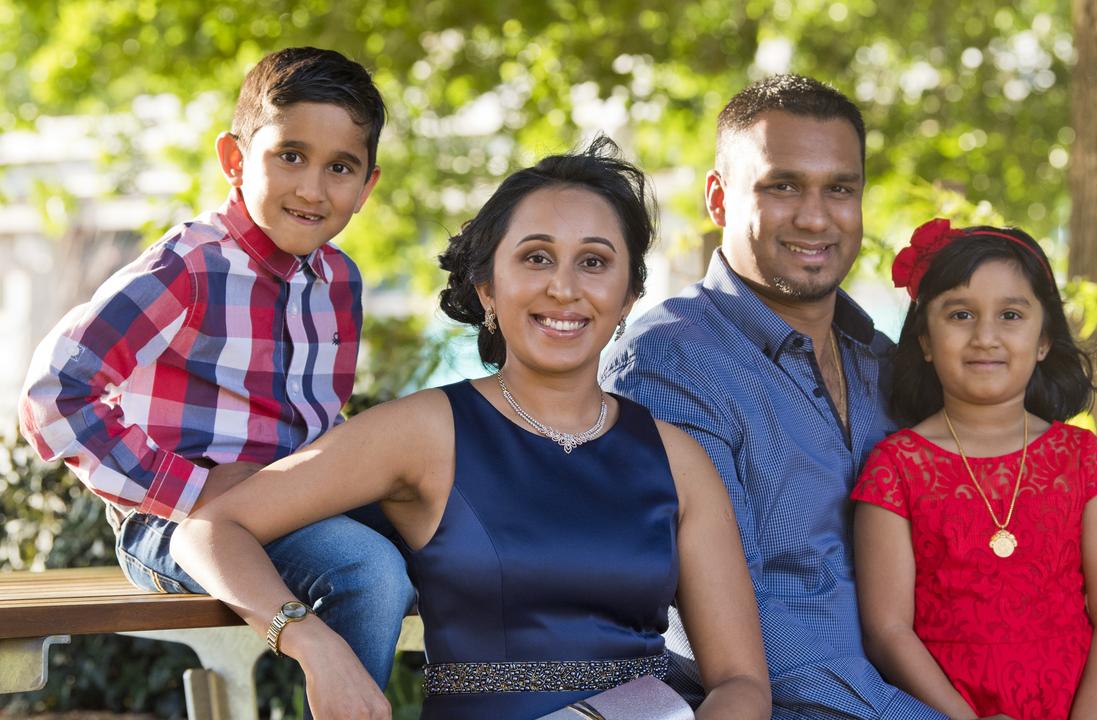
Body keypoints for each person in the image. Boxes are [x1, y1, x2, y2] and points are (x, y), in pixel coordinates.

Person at [170, 137, 771, 720]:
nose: (563, 287)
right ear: (488, 287)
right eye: (536, 257)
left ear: (628, 294)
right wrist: (313, 645)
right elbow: (209, 530)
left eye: (594, 262)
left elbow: (741, 682)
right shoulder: (426, 432)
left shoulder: (677, 460)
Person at [17, 47, 414, 698]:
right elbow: (54, 394)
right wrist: (190, 488)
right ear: (234, 160)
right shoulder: (189, 268)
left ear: (367, 185)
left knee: (469, 530)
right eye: (291, 155)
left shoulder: (339, 280)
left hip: (291, 506)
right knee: (367, 569)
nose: (313, 189)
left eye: (339, 167)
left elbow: (319, 419)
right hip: (170, 524)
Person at [602, 75, 947, 717]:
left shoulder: (887, 367)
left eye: (839, 189)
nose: (816, 217)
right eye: (781, 185)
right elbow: (745, 628)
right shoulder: (668, 364)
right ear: (718, 198)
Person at [850, 218, 1097, 718]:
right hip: (950, 708)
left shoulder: (1083, 459)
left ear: (1045, 340)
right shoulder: (895, 468)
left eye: (1010, 315)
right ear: (923, 340)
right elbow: (888, 630)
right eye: (960, 314)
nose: (985, 336)